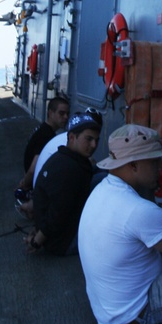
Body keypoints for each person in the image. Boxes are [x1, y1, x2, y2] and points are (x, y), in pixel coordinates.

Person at [77, 124, 162, 324]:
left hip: (109, 307)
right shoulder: (140, 210)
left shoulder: (103, 188)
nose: (161, 167)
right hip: (141, 314)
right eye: (155, 161)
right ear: (133, 165)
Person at [27, 109, 103, 255]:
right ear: (72, 137)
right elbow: (57, 213)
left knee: (102, 174)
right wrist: (37, 242)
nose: (94, 145)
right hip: (63, 243)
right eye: (89, 139)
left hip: (53, 235)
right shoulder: (69, 169)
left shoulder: (62, 156)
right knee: (106, 181)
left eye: (97, 140)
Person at [20, 97, 70, 190]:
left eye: (67, 114)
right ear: (50, 113)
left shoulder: (42, 129)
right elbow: (33, 169)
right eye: (61, 113)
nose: (66, 117)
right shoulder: (46, 136)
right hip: (34, 185)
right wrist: (24, 184)